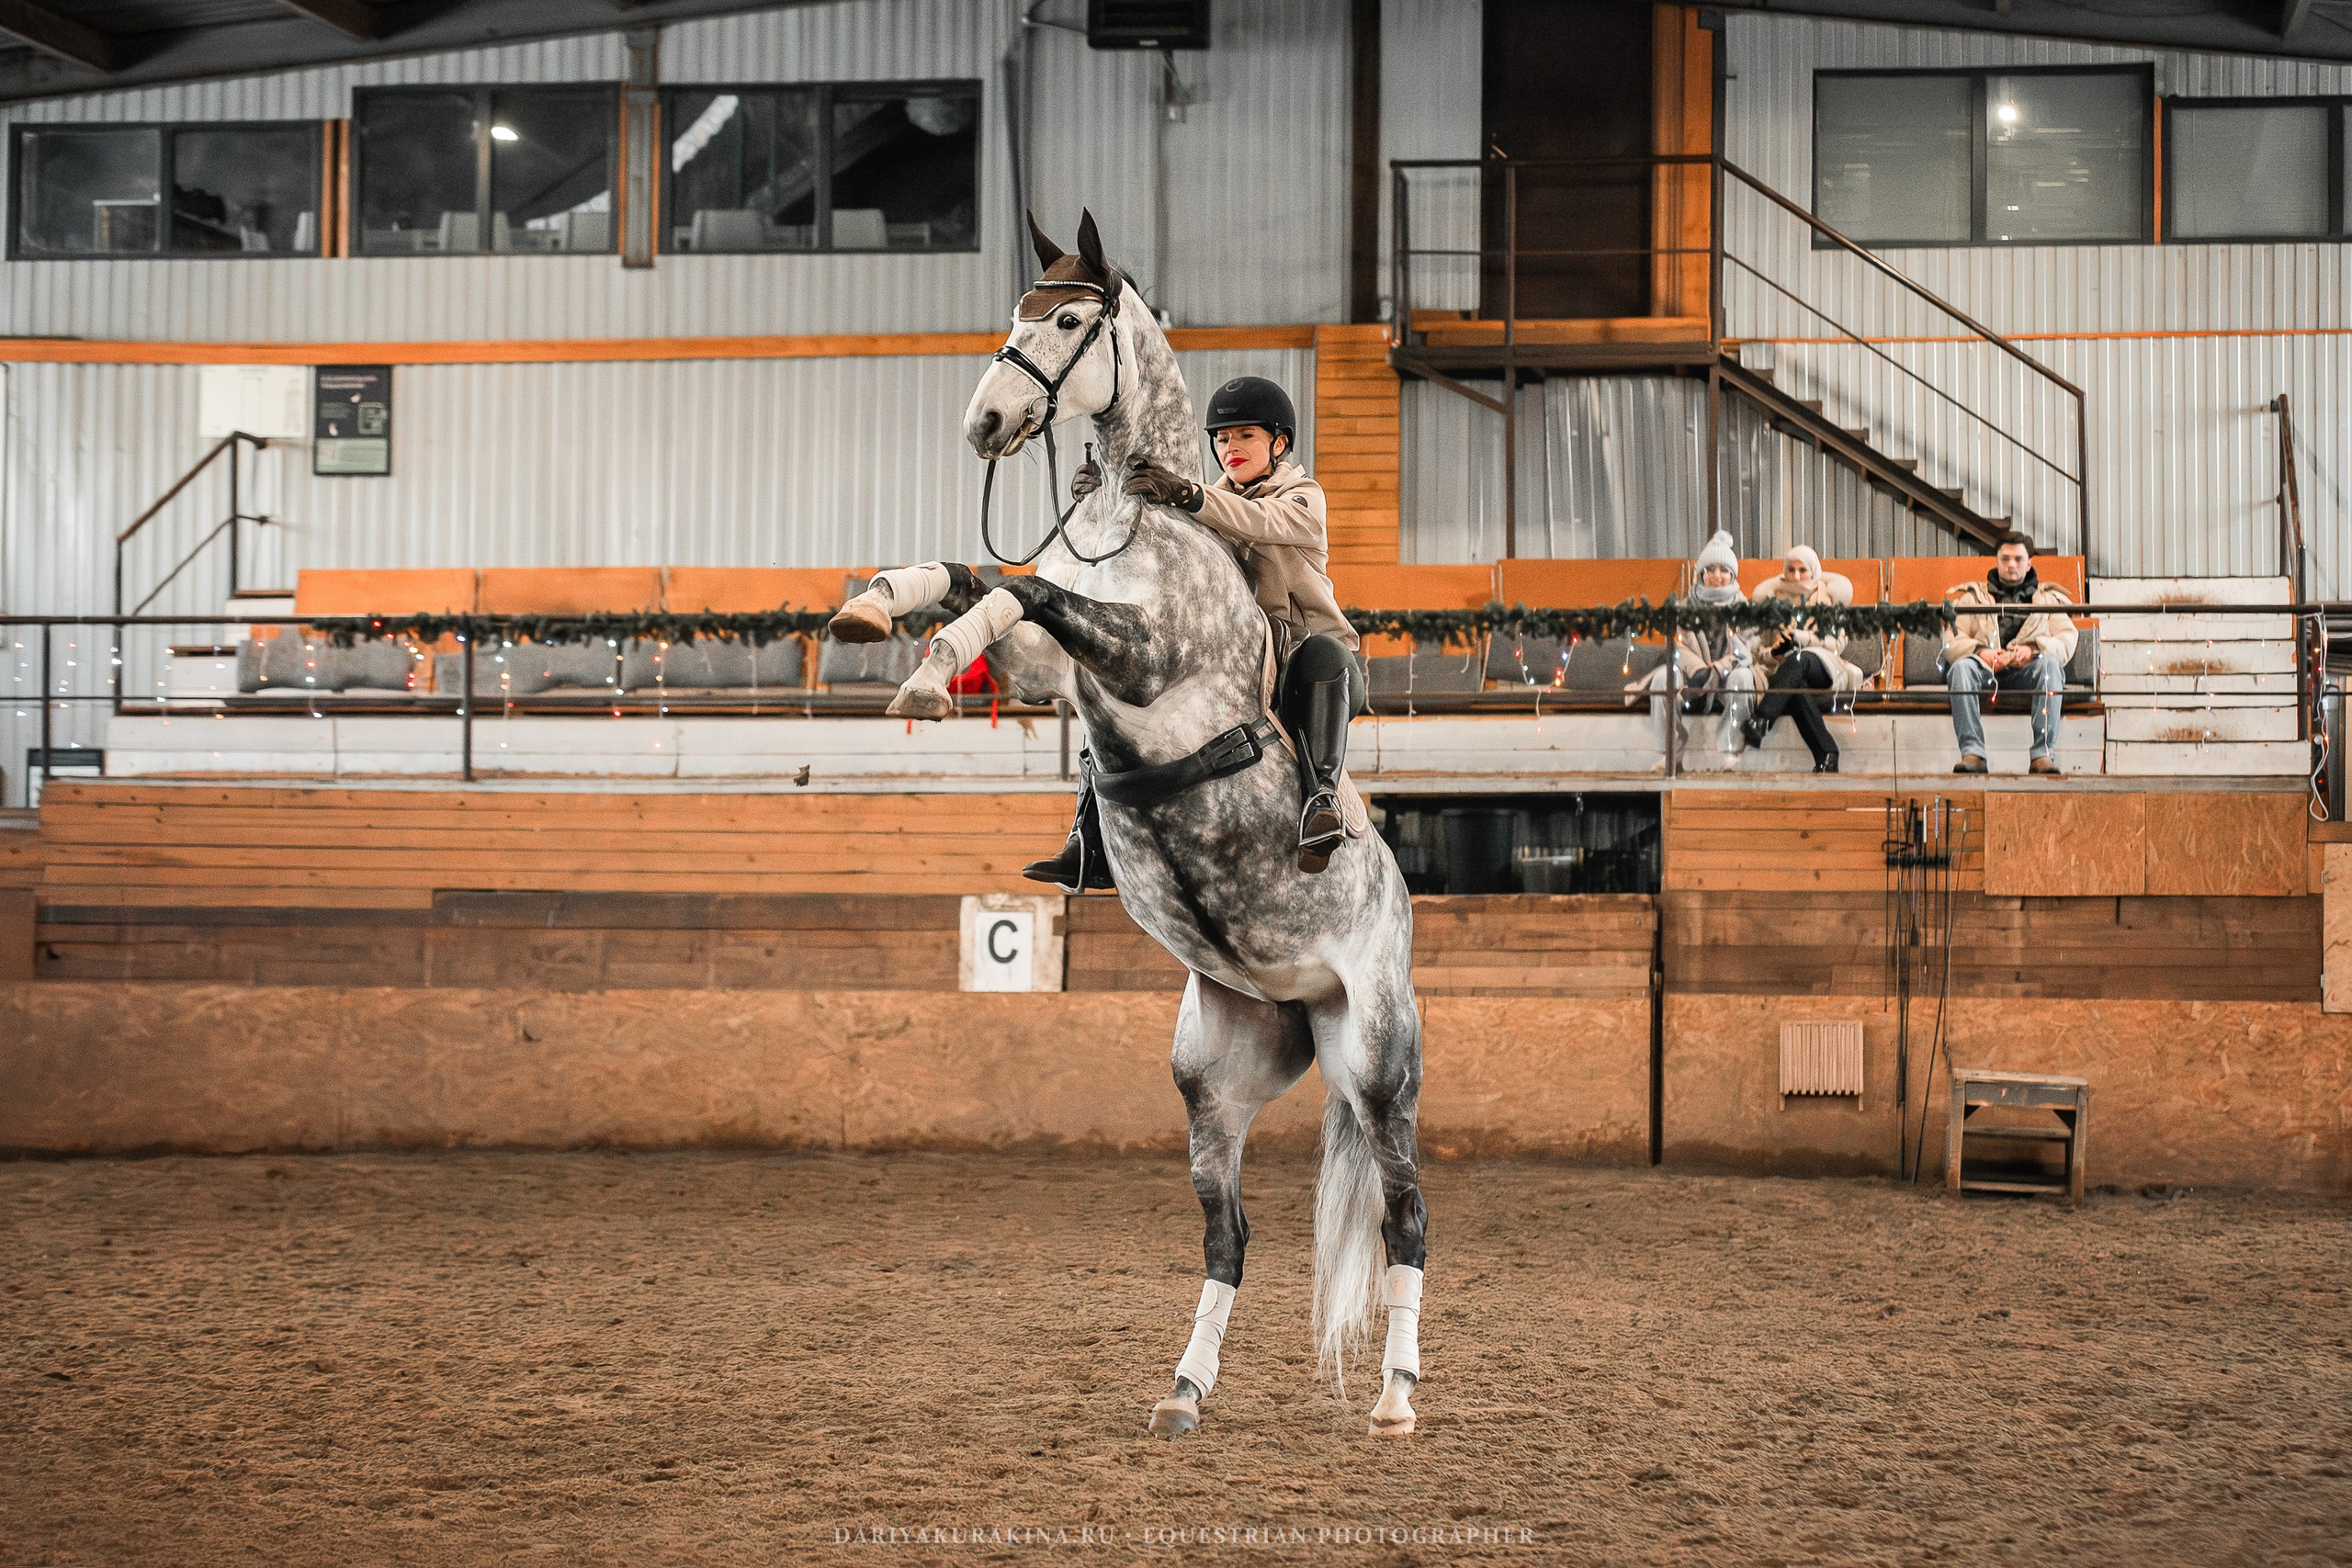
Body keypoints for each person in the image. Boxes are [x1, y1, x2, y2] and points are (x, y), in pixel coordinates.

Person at [1023, 375, 1362, 889]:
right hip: (1239, 658)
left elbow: (1257, 520)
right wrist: (1099, 500)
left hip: (1306, 665)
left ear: (1279, 443)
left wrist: (1187, 492)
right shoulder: (1205, 503)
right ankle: (1089, 840)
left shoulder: (1303, 498)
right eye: (1222, 439)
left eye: (1245, 436)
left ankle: (1322, 801)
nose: (1230, 448)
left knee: (1323, 653)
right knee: (1121, 697)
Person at [1942, 531, 2076, 775]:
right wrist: (1981, 652)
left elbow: (2067, 638)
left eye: (2018, 559)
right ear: (1996, 560)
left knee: (2051, 668)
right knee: (1960, 668)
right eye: (2005, 558)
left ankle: (2042, 755)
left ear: (2029, 563)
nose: (2011, 565)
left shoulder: (2047, 600)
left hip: (2027, 669)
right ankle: (1973, 754)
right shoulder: (1972, 598)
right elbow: (1952, 638)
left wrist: (2034, 648)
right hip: (1985, 669)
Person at [1628, 530, 1757, 763]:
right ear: (1701, 573)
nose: (1716, 576)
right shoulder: (1682, 607)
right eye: (1710, 569)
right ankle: (1671, 754)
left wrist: (1718, 669)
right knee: (1662, 679)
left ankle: (1730, 750)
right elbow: (1676, 646)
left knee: (1744, 678)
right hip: (1692, 680)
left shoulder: (1745, 609)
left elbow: (1748, 650)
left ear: (1732, 575)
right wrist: (1698, 669)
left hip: (1725, 682)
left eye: (1724, 570)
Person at [1739, 545, 1862, 773]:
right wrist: (1774, 653)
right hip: (1787, 670)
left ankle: (1762, 718)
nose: (1796, 577)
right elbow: (1762, 653)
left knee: (1799, 659)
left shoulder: (1829, 601)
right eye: (1791, 570)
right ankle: (1827, 754)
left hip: (1824, 664)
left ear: (1813, 571)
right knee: (1795, 686)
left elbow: (1838, 644)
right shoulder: (1772, 605)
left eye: (1802, 570)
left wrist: (1800, 637)